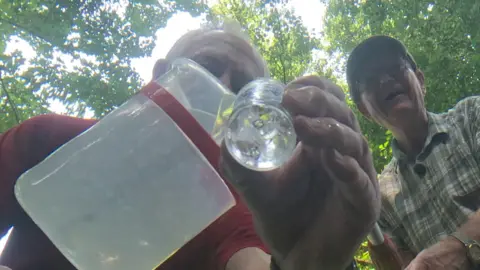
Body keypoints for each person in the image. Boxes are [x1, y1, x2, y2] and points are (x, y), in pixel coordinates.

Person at [0, 24, 380, 270]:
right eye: (206, 67)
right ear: (161, 74)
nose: (222, 90)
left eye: (242, 85)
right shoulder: (50, 141)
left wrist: (312, 262)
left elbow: (253, 262)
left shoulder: (234, 209)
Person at [346, 35, 480, 269]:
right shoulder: (381, 199)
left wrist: (458, 247)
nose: (385, 79)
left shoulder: (471, 117)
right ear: (364, 110)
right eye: (369, 79)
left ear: (420, 80)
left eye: (394, 68)